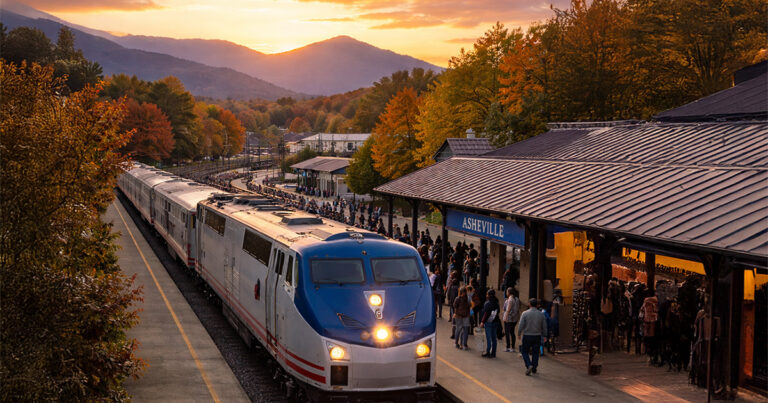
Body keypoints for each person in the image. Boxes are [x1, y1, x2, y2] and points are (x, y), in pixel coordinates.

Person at [518, 298, 548, 375]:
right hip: (537, 336)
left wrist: (519, 333)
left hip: (527, 335)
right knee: (535, 352)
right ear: (537, 305)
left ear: (529, 304)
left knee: (524, 351)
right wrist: (545, 335)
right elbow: (544, 326)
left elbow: (521, 325)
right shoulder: (541, 314)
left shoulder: (525, 313)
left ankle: (528, 365)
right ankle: (534, 368)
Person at [480, 289, 501, 358]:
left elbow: (486, 314)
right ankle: (493, 353)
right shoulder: (496, 303)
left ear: (488, 295)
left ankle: (488, 352)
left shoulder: (487, 303)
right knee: (494, 338)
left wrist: (482, 322)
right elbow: (498, 312)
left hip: (488, 322)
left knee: (488, 338)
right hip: (495, 322)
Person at [502, 288, 520, 352]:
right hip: (515, 319)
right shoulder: (517, 299)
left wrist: (505, 317)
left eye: (507, 291)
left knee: (507, 333)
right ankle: (513, 347)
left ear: (509, 292)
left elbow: (508, 310)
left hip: (509, 318)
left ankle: (508, 347)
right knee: (512, 332)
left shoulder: (510, 299)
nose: (506, 293)